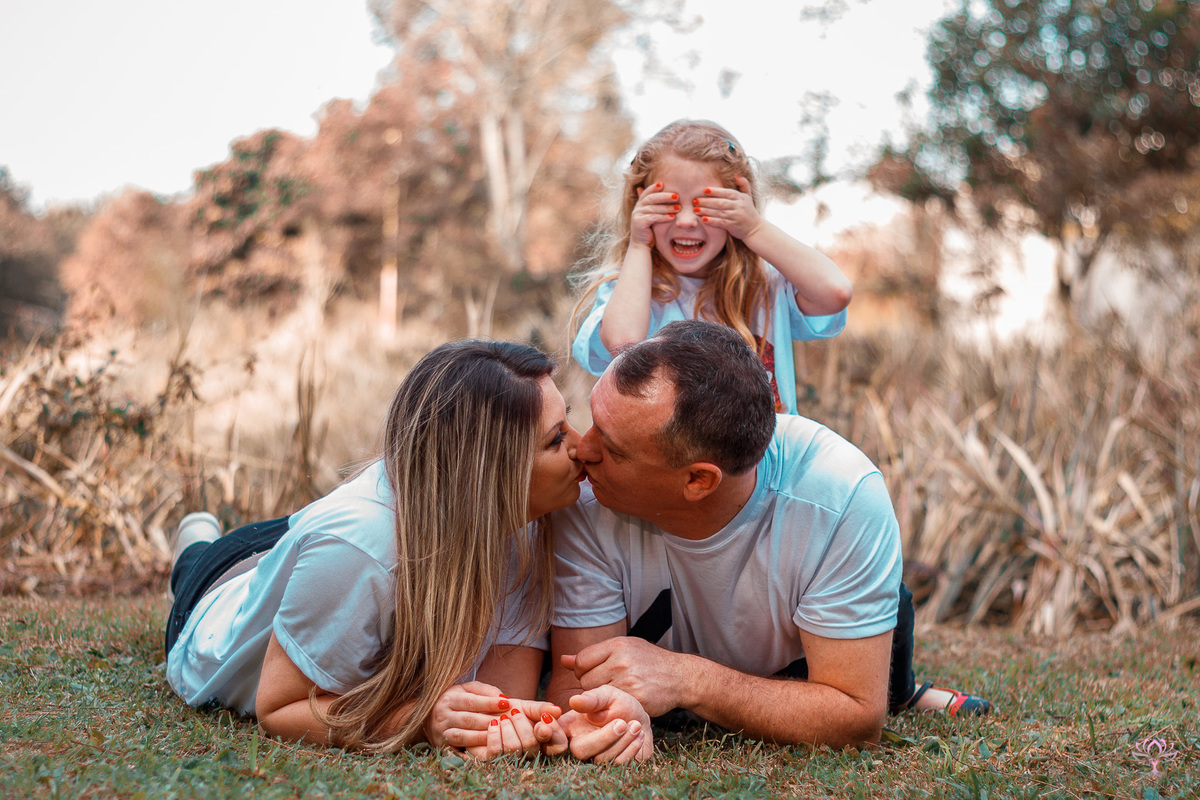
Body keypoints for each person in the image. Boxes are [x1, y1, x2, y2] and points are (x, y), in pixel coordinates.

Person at [164, 340, 647, 762]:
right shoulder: (356, 548)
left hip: (329, 544)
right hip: (222, 590)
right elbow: (281, 709)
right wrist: (421, 723)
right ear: (488, 473)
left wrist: (527, 725)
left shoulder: (528, 520)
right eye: (555, 438)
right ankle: (194, 542)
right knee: (200, 562)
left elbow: (502, 699)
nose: (582, 448)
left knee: (320, 544)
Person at [548, 321, 989, 753]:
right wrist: (602, 716)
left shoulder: (840, 498)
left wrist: (688, 679)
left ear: (699, 480)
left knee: (890, 631)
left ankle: (905, 691)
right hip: (721, 641)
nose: (582, 451)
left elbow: (856, 719)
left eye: (613, 447)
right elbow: (576, 688)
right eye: (593, 422)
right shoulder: (587, 495)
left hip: (803, 657)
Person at [572, 118, 852, 414]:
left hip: (767, 458)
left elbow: (836, 292)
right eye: (669, 204)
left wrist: (754, 230)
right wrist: (639, 245)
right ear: (639, 203)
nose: (687, 221)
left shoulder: (766, 286)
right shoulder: (628, 289)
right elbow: (623, 343)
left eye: (709, 206)